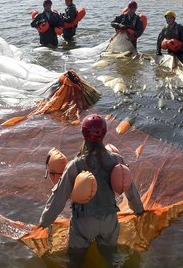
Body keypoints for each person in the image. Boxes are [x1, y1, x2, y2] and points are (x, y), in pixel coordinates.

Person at [37, 114, 144, 267]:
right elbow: (130, 188)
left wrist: (44, 222)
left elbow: (59, 197)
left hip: (83, 224)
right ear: (105, 133)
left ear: (83, 134)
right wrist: (138, 209)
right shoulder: (116, 160)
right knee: (112, 257)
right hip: (110, 220)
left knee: (75, 262)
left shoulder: (76, 164)